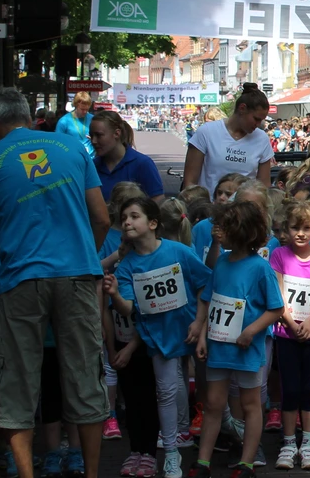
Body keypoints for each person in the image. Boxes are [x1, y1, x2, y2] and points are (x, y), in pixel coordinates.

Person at [0, 88, 110, 478]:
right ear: (30, 116)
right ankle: (92, 473)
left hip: (20, 279)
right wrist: (85, 257)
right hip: (77, 276)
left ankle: (27, 473)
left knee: (16, 380)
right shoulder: (72, 147)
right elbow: (101, 218)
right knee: (85, 375)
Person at [104, 197, 210, 478]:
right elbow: (128, 309)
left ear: (153, 224)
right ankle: (172, 454)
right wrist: (114, 293)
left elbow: (205, 284)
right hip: (159, 339)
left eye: (134, 216)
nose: (127, 221)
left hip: (192, 331)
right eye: (124, 217)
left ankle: (233, 428)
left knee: (211, 389)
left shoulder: (179, 252)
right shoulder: (126, 267)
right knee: (165, 393)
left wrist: (200, 324)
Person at [191, 201, 284, 478]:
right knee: (213, 403)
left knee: (250, 404)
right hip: (219, 345)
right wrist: (202, 335)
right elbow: (209, 299)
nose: (217, 232)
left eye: (224, 227)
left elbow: (276, 308)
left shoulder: (259, 268)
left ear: (241, 232)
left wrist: (251, 331)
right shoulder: (221, 262)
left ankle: (247, 463)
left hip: (246, 349)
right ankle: (203, 462)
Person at [269, 201, 310, 471]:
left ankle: (307, 444)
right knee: (290, 389)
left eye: (306, 228)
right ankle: (287, 443)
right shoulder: (280, 256)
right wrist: (291, 323)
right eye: (295, 227)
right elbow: (278, 294)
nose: (300, 233)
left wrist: (309, 321)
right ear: (286, 228)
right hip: (286, 334)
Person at [182, 84, 273, 197]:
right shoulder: (206, 132)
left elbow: (264, 186)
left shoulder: (262, 139)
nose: (259, 124)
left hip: (245, 210)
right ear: (242, 108)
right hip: (209, 208)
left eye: (262, 120)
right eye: (256, 119)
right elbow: (190, 182)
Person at [90, 111, 163, 200]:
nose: (93, 141)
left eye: (99, 135)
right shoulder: (92, 166)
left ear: (117, 133)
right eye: (91, 135)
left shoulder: (143, 164)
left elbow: (157, 200)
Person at [58, 92, 97, 157]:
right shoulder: (64, 121)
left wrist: (94, 139)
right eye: (82, 109)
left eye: (87, 109)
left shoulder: (93, 119)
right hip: (72, 158)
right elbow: (58, 142)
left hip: (91, 159)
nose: (84, 112)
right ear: (76, 105)